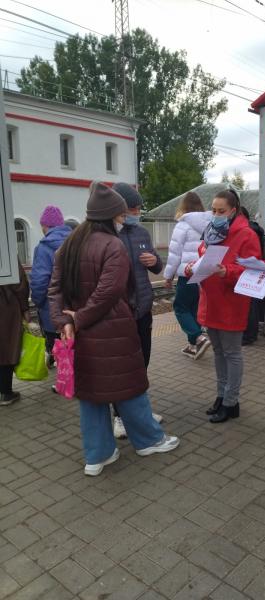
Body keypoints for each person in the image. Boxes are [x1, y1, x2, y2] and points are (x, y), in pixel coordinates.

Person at [48, 181, 179, 476]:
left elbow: (53, 289)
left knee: (91, 395)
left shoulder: (68, 244)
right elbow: (108, 293)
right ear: (111, 215)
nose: (125, 219)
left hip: (80, 337)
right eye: (122, 215)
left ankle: (98, 456)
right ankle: (149, 440)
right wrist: (78, 319)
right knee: (129, 388)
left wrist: (65, 322)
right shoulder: (112, 245)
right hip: (113, 331)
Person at [189, 189, 261, 423]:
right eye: (214, 210)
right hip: (210, 301)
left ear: (233, 210)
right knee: (219, 352)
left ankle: (231, 402)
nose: (216, 214)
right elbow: (202, 256)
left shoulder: (246, 235)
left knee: (232, 353)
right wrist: (193, 266)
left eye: (221, 211)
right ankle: (221, 396)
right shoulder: (211, 232)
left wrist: (226, 271)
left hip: (231, 303)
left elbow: (254, 268)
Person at [111, 182, 163, 437]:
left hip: (143, 309)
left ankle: (140, 411)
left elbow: (156, 265)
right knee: (121, 368)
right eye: (131, 208)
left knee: (143, 363)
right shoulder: (108, 235)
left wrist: (155, 261)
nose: (136, 213)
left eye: (138, 208)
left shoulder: (142, 232)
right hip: (120, 313)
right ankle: (119, 417)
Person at [163, 191, 212, 359]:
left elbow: (174, 254)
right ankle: (193, 346)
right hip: (204, 273)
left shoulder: (182, 225)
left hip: (188, 273)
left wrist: (168, 276)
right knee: (194, 309)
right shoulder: (210, 224)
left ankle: (198, 337)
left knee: (180, 307)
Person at [30, 205, 72, 367]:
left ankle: (65, 382)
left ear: (45, 226)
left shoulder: (43, 248)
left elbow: (39, 281)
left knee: (57, 345)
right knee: (72, 343)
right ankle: (77, 379)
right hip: (75, 307)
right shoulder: (75, 242)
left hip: (52, 308)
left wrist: (38, 301)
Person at [240, 206, 265, 346]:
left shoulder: (246, 231)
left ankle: (248, 335)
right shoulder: (257, 230)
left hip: (247, 270)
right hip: (256, 269)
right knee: (252, 304)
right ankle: (251, 334)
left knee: (248, 305)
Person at [0, 260, 30, 406]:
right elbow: (20, 284)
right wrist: (25, 308)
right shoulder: (6, 250)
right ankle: (5, 392)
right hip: (6, 307)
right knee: (7, 347)